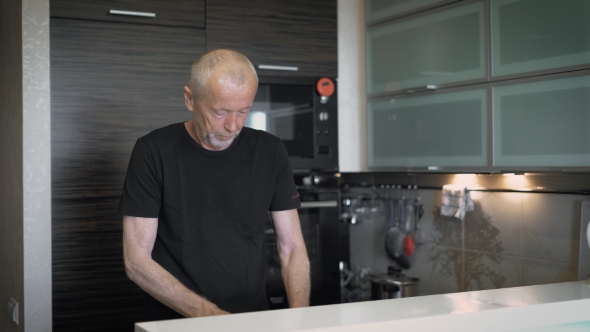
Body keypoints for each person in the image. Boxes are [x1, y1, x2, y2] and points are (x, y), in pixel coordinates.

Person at [119, 49, 310, 321]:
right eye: (220, 112)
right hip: (175, 323)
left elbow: (291, 247)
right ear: (190, 98)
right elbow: (136, 262)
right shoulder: (153, 152)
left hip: (252, 319)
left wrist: (300, 318)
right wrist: (212, 317)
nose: (233, 126)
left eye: (243, 111)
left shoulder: (270, 151)